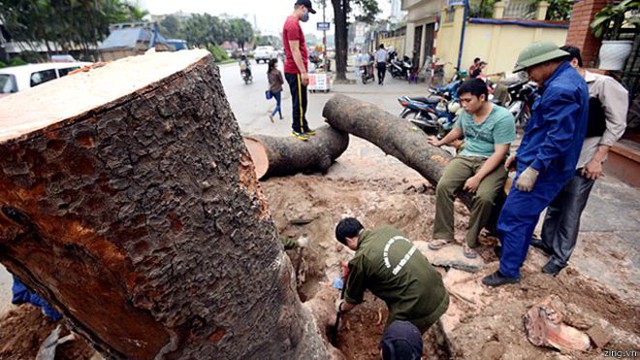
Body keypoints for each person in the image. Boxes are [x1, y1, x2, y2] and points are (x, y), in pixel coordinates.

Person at [482, 42, 589, 287]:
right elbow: (543, 129)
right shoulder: (566, 80)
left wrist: (534, 168)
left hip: (546, 169)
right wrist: (521, 156)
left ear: (546, 63)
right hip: (542, 161)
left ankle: (509, 271)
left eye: (530, 70)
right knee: (526, 215)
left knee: (512, 217)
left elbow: (558, 137)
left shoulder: (561, 89)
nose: (528, 76)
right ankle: (514, 254)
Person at [530, 45, 628, 275]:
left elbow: (617, 124)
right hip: (561, 158)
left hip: (585, 157)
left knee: (571, 210)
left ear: (573, 63)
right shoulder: (558, 86)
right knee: (555, 204)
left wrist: (597, 159)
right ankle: (547, 241)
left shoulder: (602, 85)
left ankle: (561, 256)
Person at [427, 78, 516, 259]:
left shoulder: (503, 117)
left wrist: (477, 178)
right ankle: (443, 234)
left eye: (468, 101)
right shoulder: (466, 113)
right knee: (444, 186)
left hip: (493, 161)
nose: (464, 105)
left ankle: (471, 239)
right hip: (467, 156)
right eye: (461, 101)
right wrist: (440, 142)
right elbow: (457, 131)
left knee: (484, 197)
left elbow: (500, 153)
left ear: (482, 97)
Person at [334, 217, 449, 334]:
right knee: (410, 339)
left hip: (415, 303)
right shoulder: (388, 230)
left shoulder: (361, 259)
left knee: (391, 347)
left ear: (348, 240)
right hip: (439, 290)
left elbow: (352, 301)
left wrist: (340, 306)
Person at [282, 0, 316, 141]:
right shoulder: (292, 24)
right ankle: (297, 128)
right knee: (299, 102)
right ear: (302, 8)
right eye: (308, 11)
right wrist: (303, 72)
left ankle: (303, 125)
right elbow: (295, 50)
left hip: (296, 69)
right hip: (295, 70)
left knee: (303, 100)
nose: (308, 14)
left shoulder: (294, 23)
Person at [267, 58, 285, 123]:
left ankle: (280, 116)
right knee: (278, 104)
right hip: (277, 89)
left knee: (278, 103)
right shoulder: (278, 72)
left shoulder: (269, 72)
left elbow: (269, 81)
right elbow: (282, 81)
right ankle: (272, 115)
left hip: (271, 90)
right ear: (274, 64)